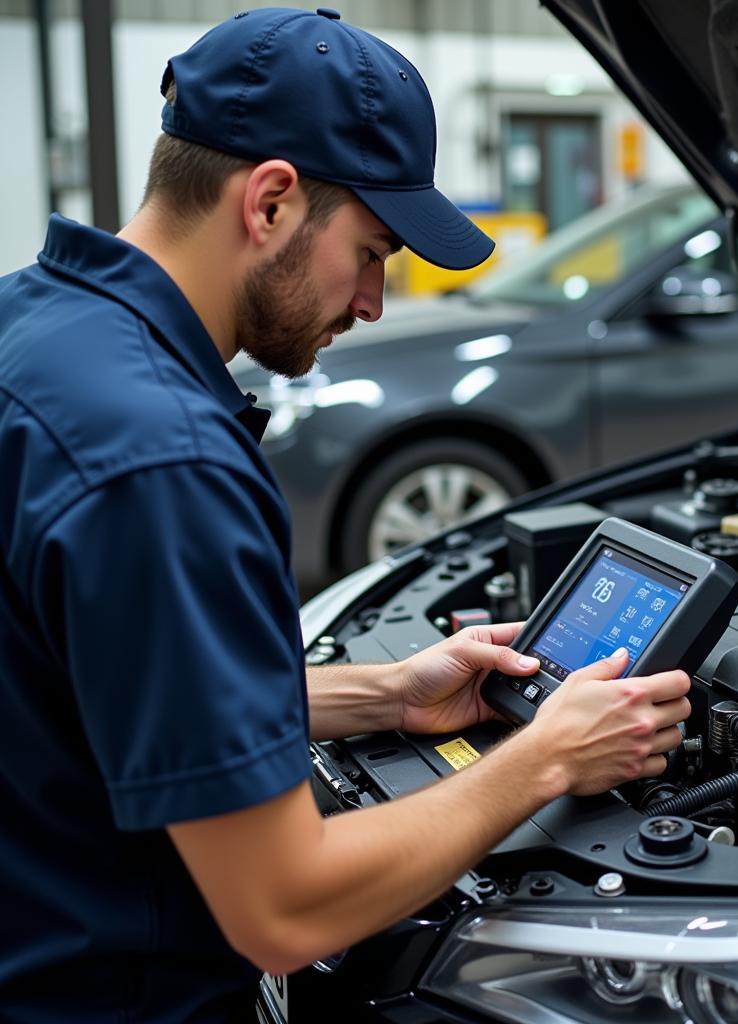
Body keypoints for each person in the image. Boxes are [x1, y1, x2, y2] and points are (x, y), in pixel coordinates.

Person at [0, 8, 691, 1021]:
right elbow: (285, 906)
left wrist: (387, 696)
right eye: (369, 252)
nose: (372, 301)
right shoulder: (163, 459)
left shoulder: (36, 322)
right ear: (271, 201)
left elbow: (100, 682)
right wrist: (544, 757)